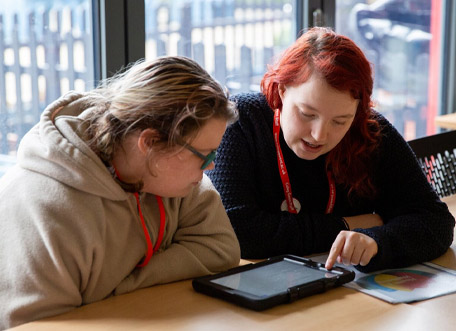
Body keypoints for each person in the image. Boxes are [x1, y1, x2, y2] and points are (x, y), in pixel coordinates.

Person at [0, 56, 240, 329]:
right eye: (204, 156)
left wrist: (123, 285)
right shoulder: (46, 210)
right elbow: (38, 326)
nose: (211, 167)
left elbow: (220, 248)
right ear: (149, 143)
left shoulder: (171, 182)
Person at [208, 27, 455, 274]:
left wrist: (377, 241)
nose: (319, 135)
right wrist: (346, 225)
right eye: (307, 114)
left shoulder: (371, 132)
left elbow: (437, 222)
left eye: (340, 121)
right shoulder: (241, 120)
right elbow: (238, 233)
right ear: (282, 91)